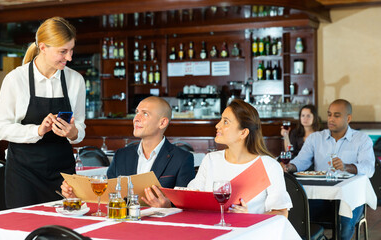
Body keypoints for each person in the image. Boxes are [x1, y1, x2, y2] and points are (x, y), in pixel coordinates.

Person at [0, 17, 86, 208]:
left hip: (63, 175)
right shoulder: (16, 79)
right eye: (63, 51)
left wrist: (73, 133)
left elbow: (81, 127)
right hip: (23, 174)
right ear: (43, 47)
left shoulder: (76, 80)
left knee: (63, 232)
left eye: (71, 50)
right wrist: (38, 130)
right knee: (23, 232)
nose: (69, 58)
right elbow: (0, 129)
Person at [144, 99, 292, 216]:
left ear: (243, 133)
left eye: (225, 122)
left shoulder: (268, 165)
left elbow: (281, 213)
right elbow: (190, 200)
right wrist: (168, 204)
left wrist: (250, 216)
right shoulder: (211, 160)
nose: (217, 125)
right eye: (221, 120)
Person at [62, 96, 195, 206]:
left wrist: (168, 206)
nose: (136, 118)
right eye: (137, 112)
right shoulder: (122, 155)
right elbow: (106, 197)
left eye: (145, 114)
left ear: (162, 123)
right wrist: (77, 196)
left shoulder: (182, 159)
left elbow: (188, 206)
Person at [282, 99, 375, 240]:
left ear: (348, 118)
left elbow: (369, 169)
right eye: (329, 114)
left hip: (350, 198)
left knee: (344, 222)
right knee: (295, 211)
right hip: (321, 197)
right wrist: (289, 167)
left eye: (337, 115)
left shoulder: (362, 139)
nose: (331, 119)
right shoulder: (315, 138)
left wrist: (347, 167)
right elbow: (301, 161)